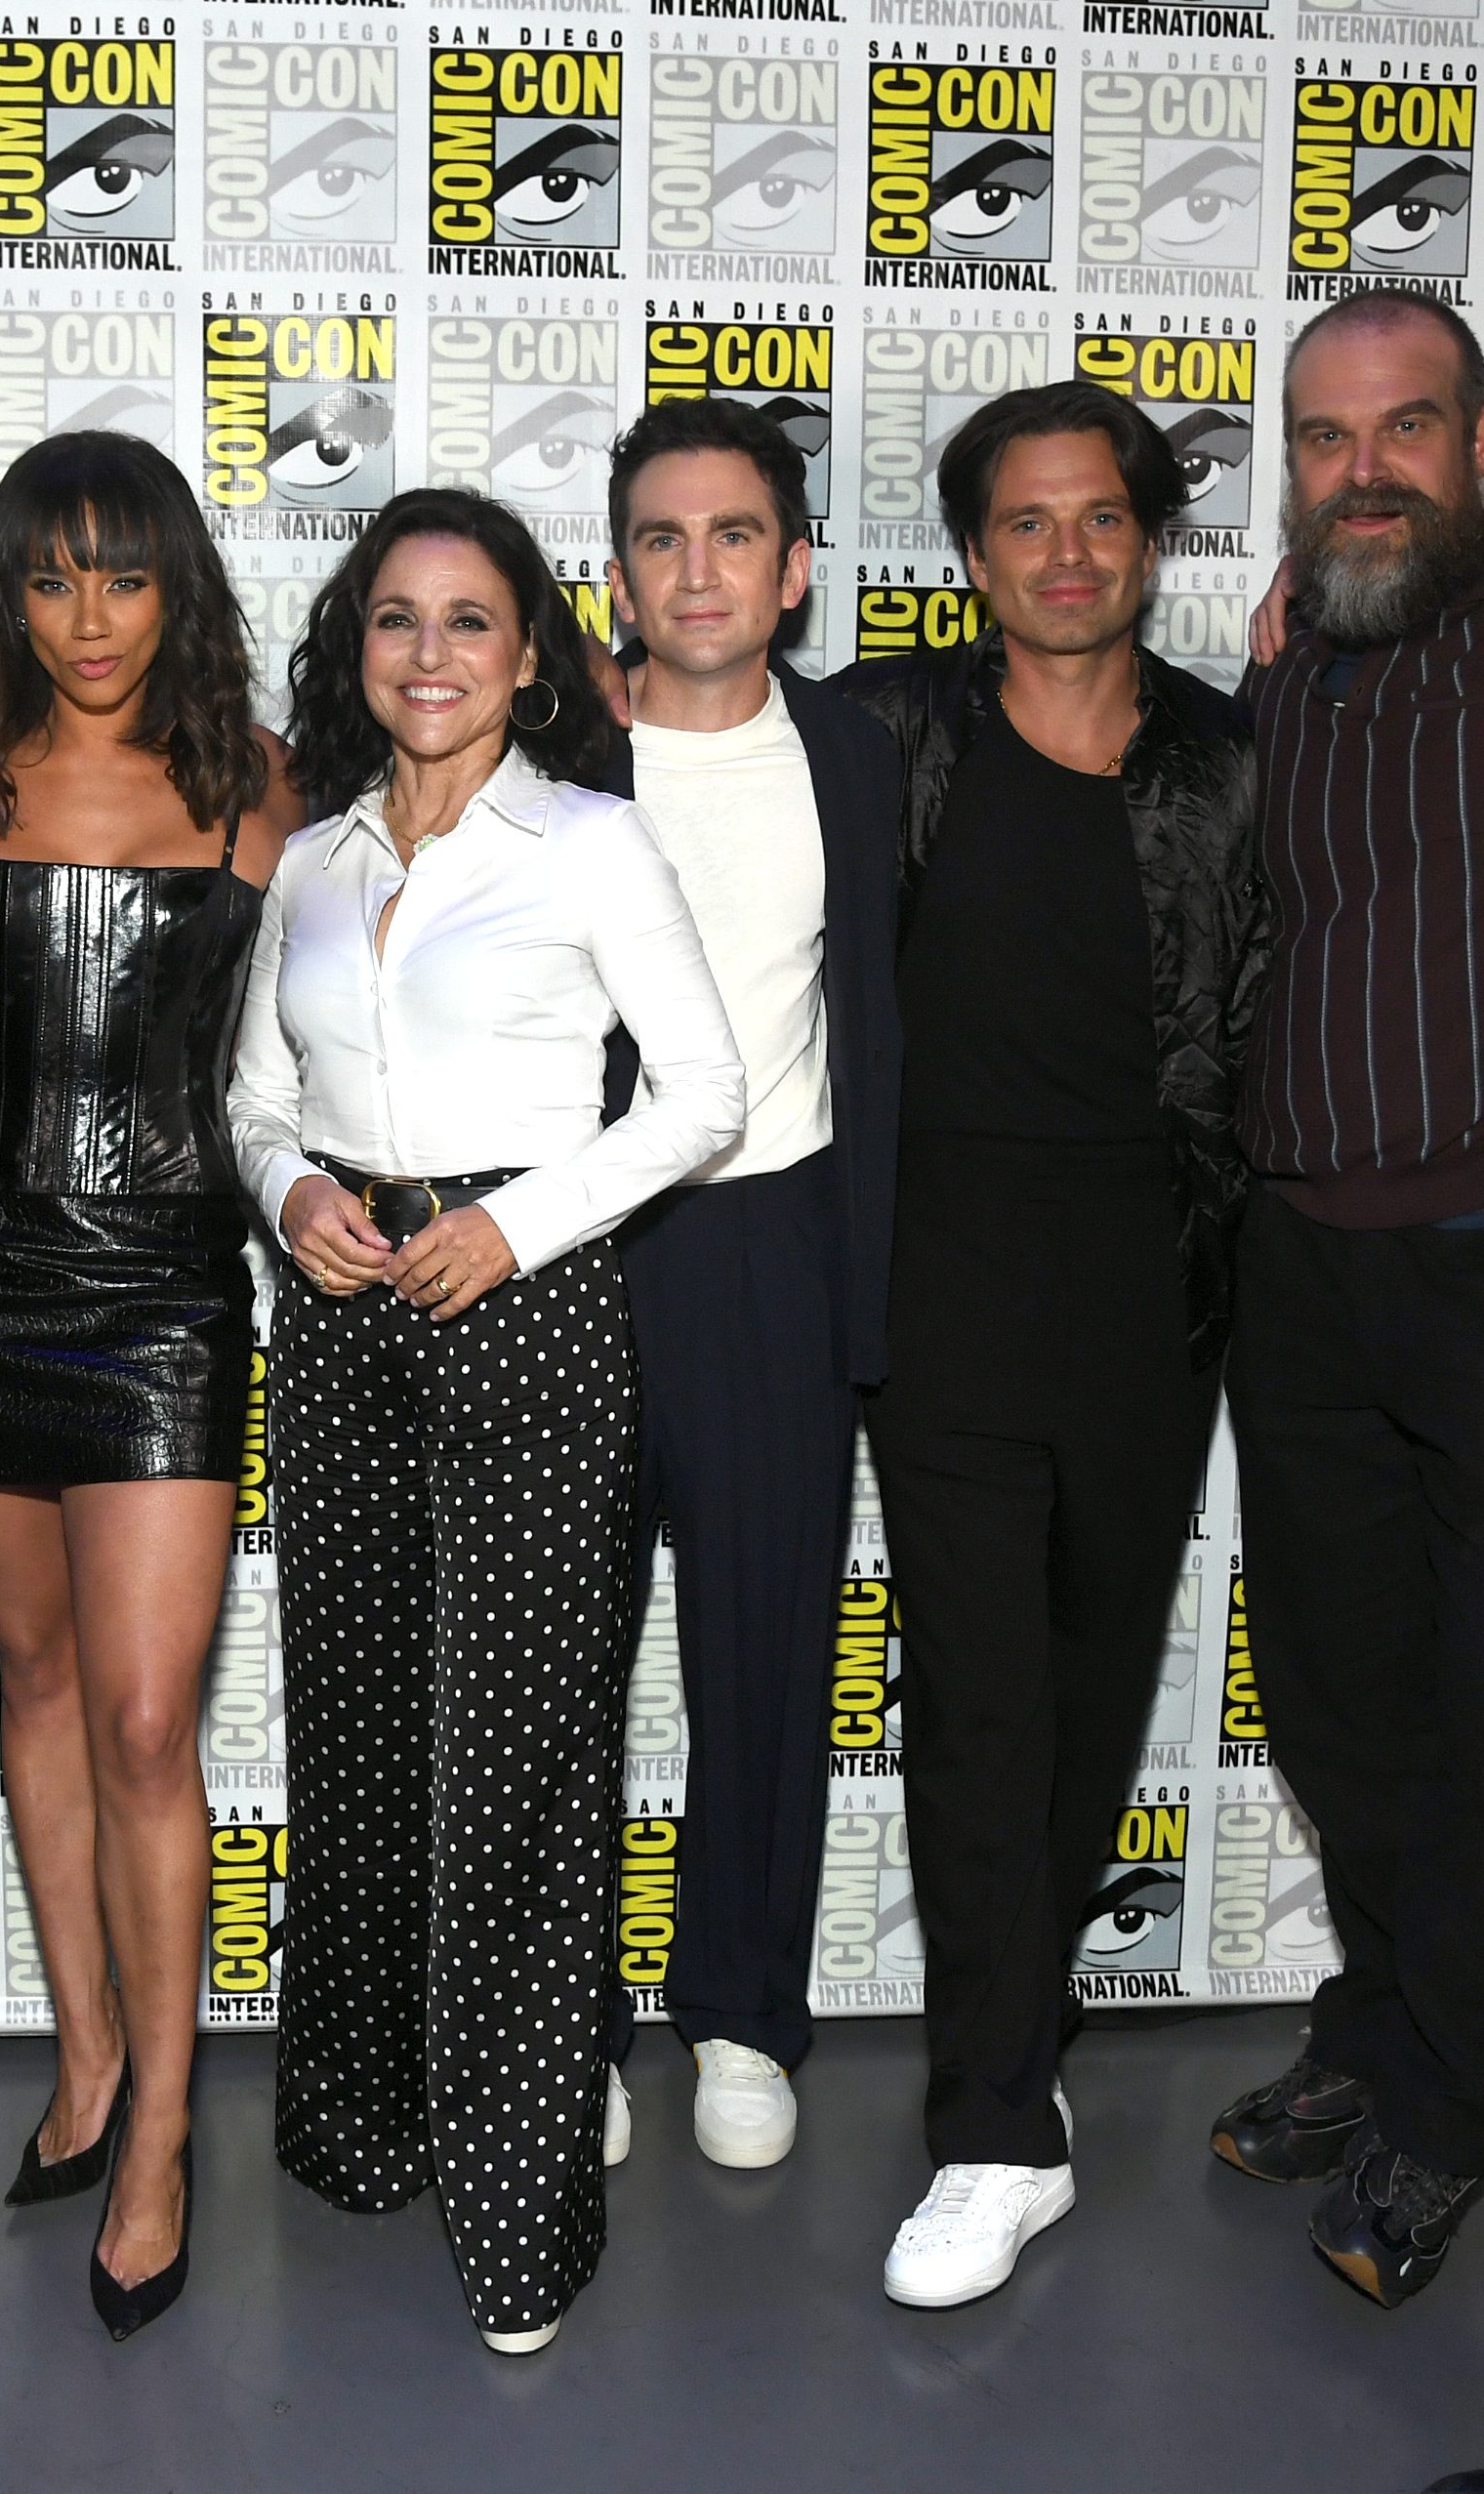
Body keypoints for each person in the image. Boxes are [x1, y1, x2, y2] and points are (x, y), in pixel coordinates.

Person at [229, 485, 742, 2353]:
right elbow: (252, 1091)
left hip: (525, 1322)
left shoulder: (592, 841)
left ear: (532, 654)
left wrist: (510, 1227)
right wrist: (288, 1191)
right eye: (393, 619)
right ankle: (365, 2128)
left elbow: (705, 1096)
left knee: (517, 1774)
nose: (427, 654)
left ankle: (521, 2216)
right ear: (354, 648)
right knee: (357, 1737)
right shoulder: (312, 856)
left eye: (468, 620)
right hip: (344, 1325)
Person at [849, 381, 1264, 2306]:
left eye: (1102, 517)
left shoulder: (1230, 761)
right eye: (1028, 521)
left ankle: (1024, 2049)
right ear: (973, 555)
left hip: (1151, 1298)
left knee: (1091, 1696)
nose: (1070, 551)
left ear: (1153, 542)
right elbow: (670, 756)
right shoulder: (885, 728)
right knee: (982, 1697)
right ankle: (994, 2123)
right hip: (938, 1294)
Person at [0, 432, 300, 2340]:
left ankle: (159, 2129)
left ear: (176, 588)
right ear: (9, 594)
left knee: (146, 1725)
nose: (88, 617)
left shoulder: (255, 798)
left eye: (122, 575)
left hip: (159, 1299)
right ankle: (79, 2057)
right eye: (49, 579)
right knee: (39, 1684)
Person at [1207, 288, 1484, 2309]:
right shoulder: (1285, 678)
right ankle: (1385, 2031)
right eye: (1326, 435)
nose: (1364, 467)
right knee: (1342, 1696)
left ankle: (1453, 2104)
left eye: (1407, 427)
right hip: (1302, 1261)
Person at [594, 398, 903, 2168]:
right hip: (567, 1247)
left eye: (733, 536)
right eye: (659, 536)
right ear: (617, 573)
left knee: (766, 1656)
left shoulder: (865, 751)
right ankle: (562, 2021)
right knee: (554, 1664)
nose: (695, 568)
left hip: (773, 1241)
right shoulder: (537, 747)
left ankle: (738, 2016)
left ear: (792, 572)